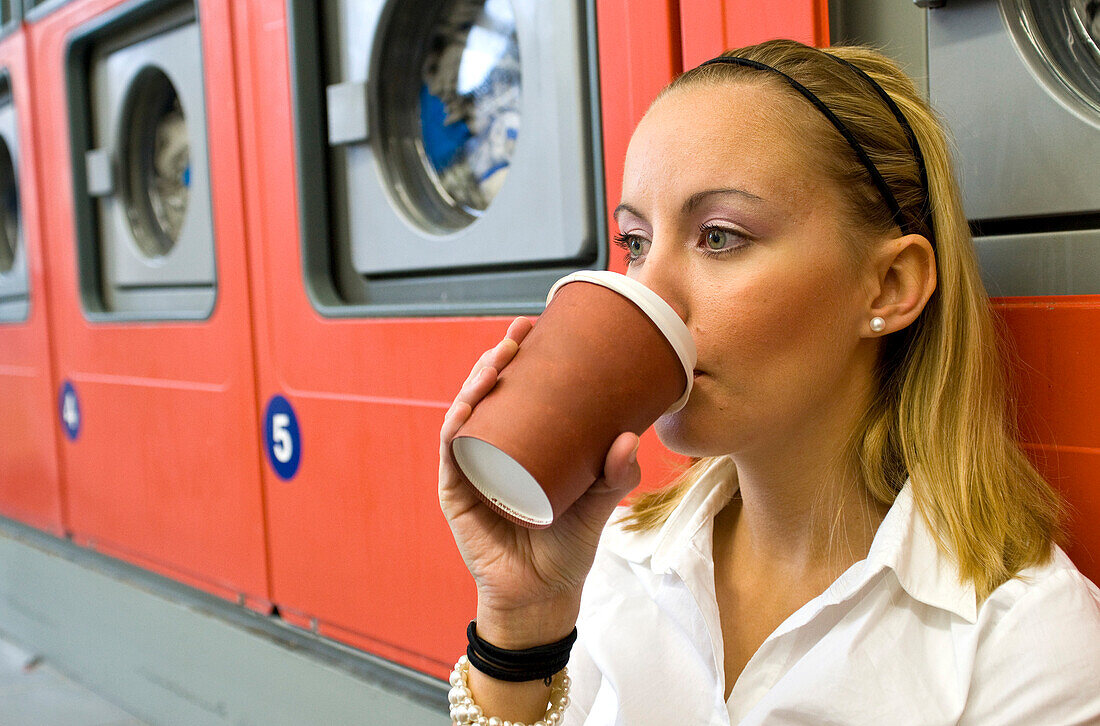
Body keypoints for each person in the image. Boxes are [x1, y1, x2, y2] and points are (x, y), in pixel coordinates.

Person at [438, 39, 1100, 725]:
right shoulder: (617, 554)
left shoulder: (1027, 646)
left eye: (719, 237)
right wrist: (521, 626)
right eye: (636, 243)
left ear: (889, 285)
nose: (651, 293)